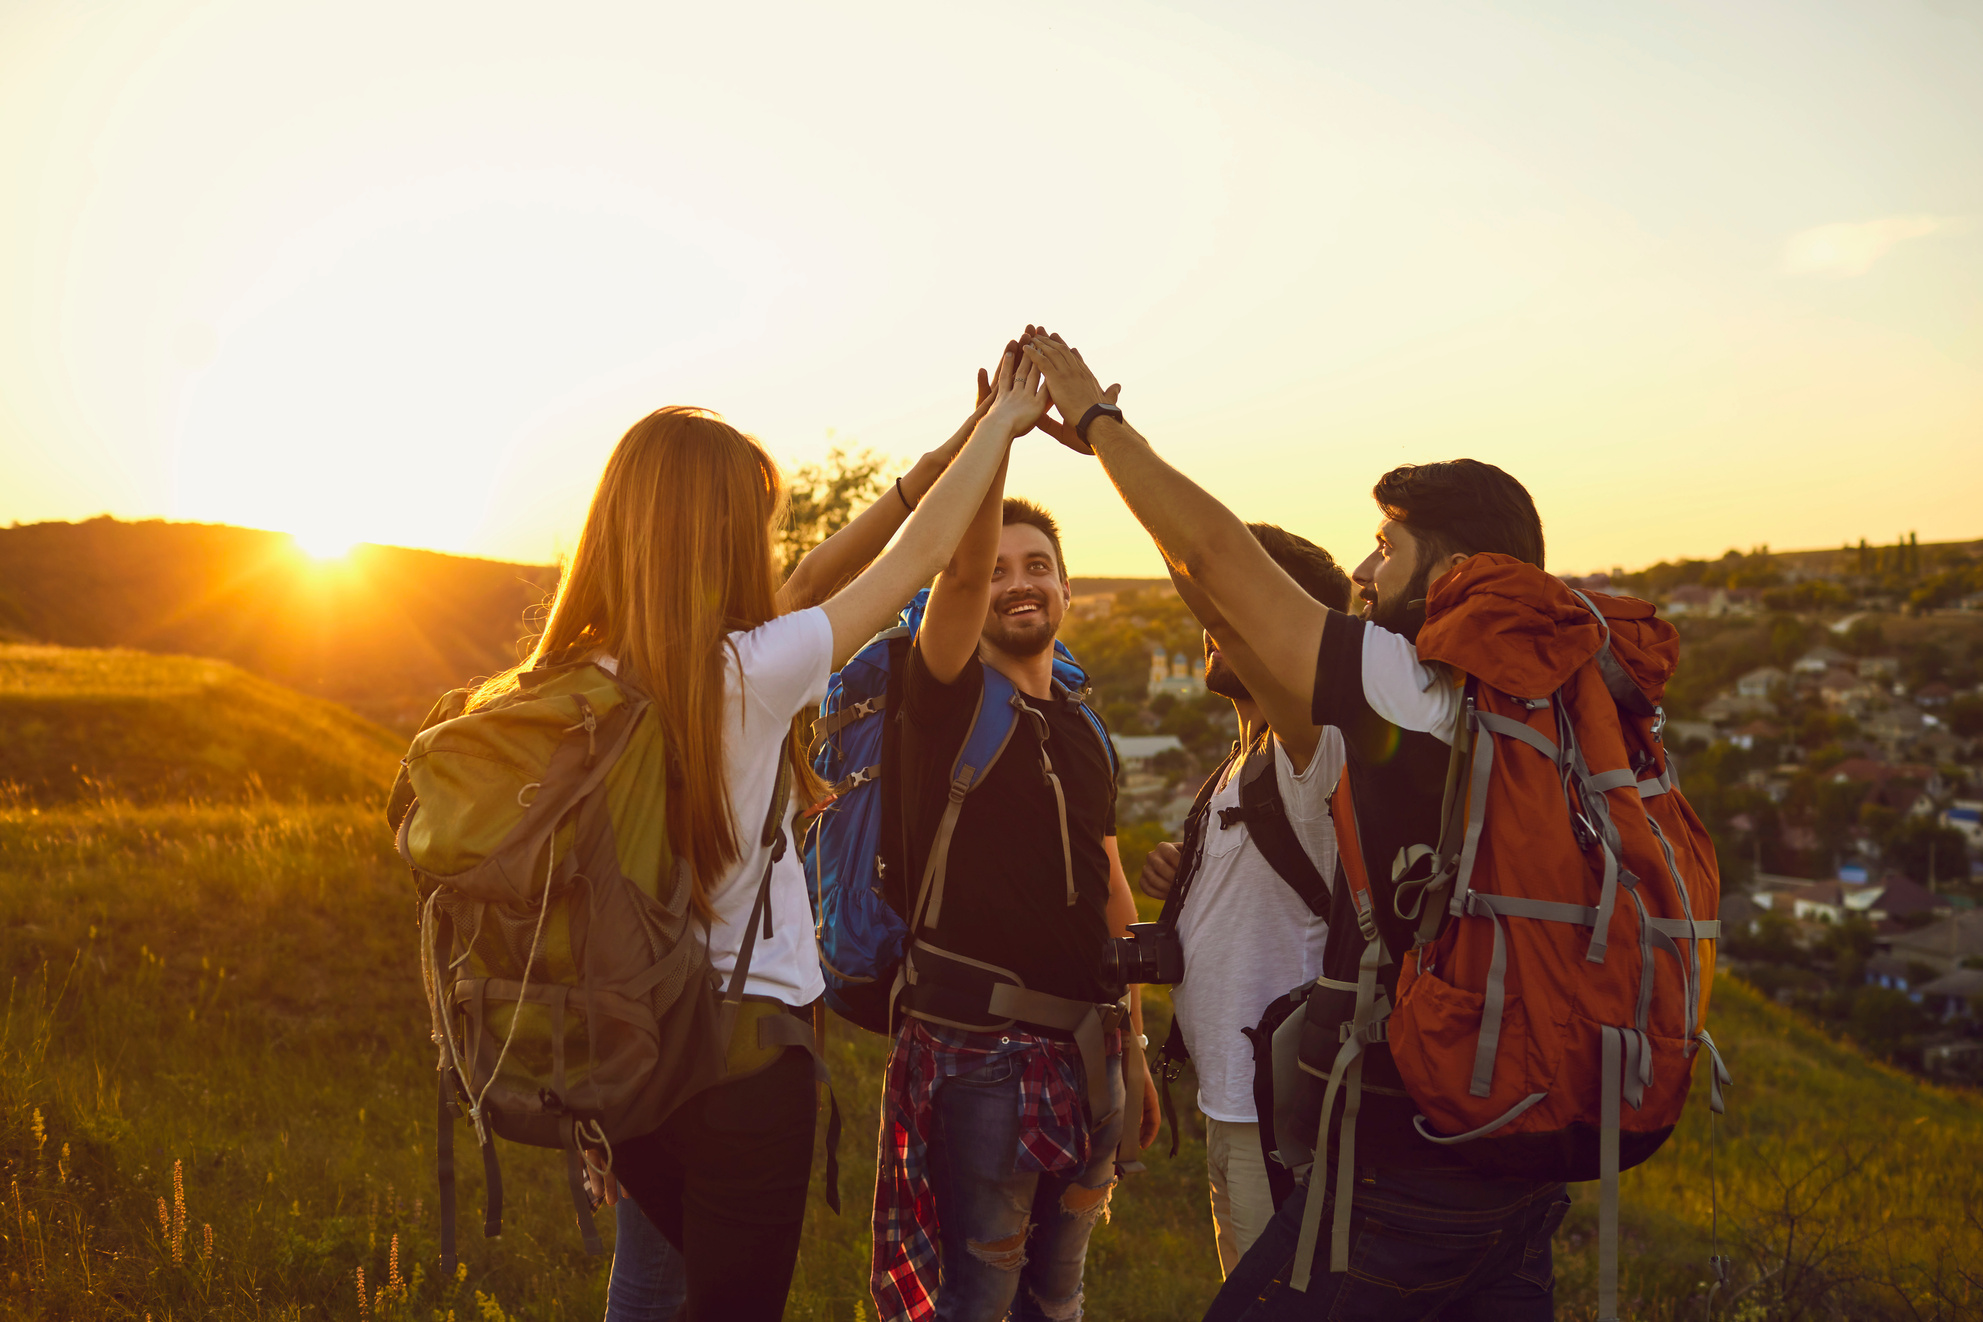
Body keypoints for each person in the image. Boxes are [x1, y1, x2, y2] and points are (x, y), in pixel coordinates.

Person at [489, 341, 1053, 1322]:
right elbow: (915, 561)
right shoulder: (746, 675)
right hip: (744, 1062)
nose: (770, 543)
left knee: (651, 1285)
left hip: (627, 1045)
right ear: (716, 532)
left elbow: (821, 572)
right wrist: (1005, 427)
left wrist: (957, 443)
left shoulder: (581, 679)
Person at [1022, 331, 1568, 1320]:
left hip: (1386, 1146)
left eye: (1389, 548)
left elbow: (1221, 565)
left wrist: (1104, 428)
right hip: (1499, 1142)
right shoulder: (1531, 700)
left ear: (1450, 569)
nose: (1365, 570)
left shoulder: (1405, 697)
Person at [870, 477, 1164, 1321]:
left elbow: (1110, 883)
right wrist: (997, 433)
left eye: (1037, 565)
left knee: (1058, 1296)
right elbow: (955, 584)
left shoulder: (1079, 718)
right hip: (981, 1059)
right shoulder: (943, 700)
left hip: (1088, 1050)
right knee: (976, 1300)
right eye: (995, 571)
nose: (1018, 583)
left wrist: (1132, 1046)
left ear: (1068, 587)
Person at [1137, 525, 1351, 1279]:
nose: (1212, 622)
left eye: (1237, 606)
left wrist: (1104, 439)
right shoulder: (1239, 764)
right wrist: (1186, 874)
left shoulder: (1312, 746)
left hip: (1280, 1114)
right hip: (1232, 1099)